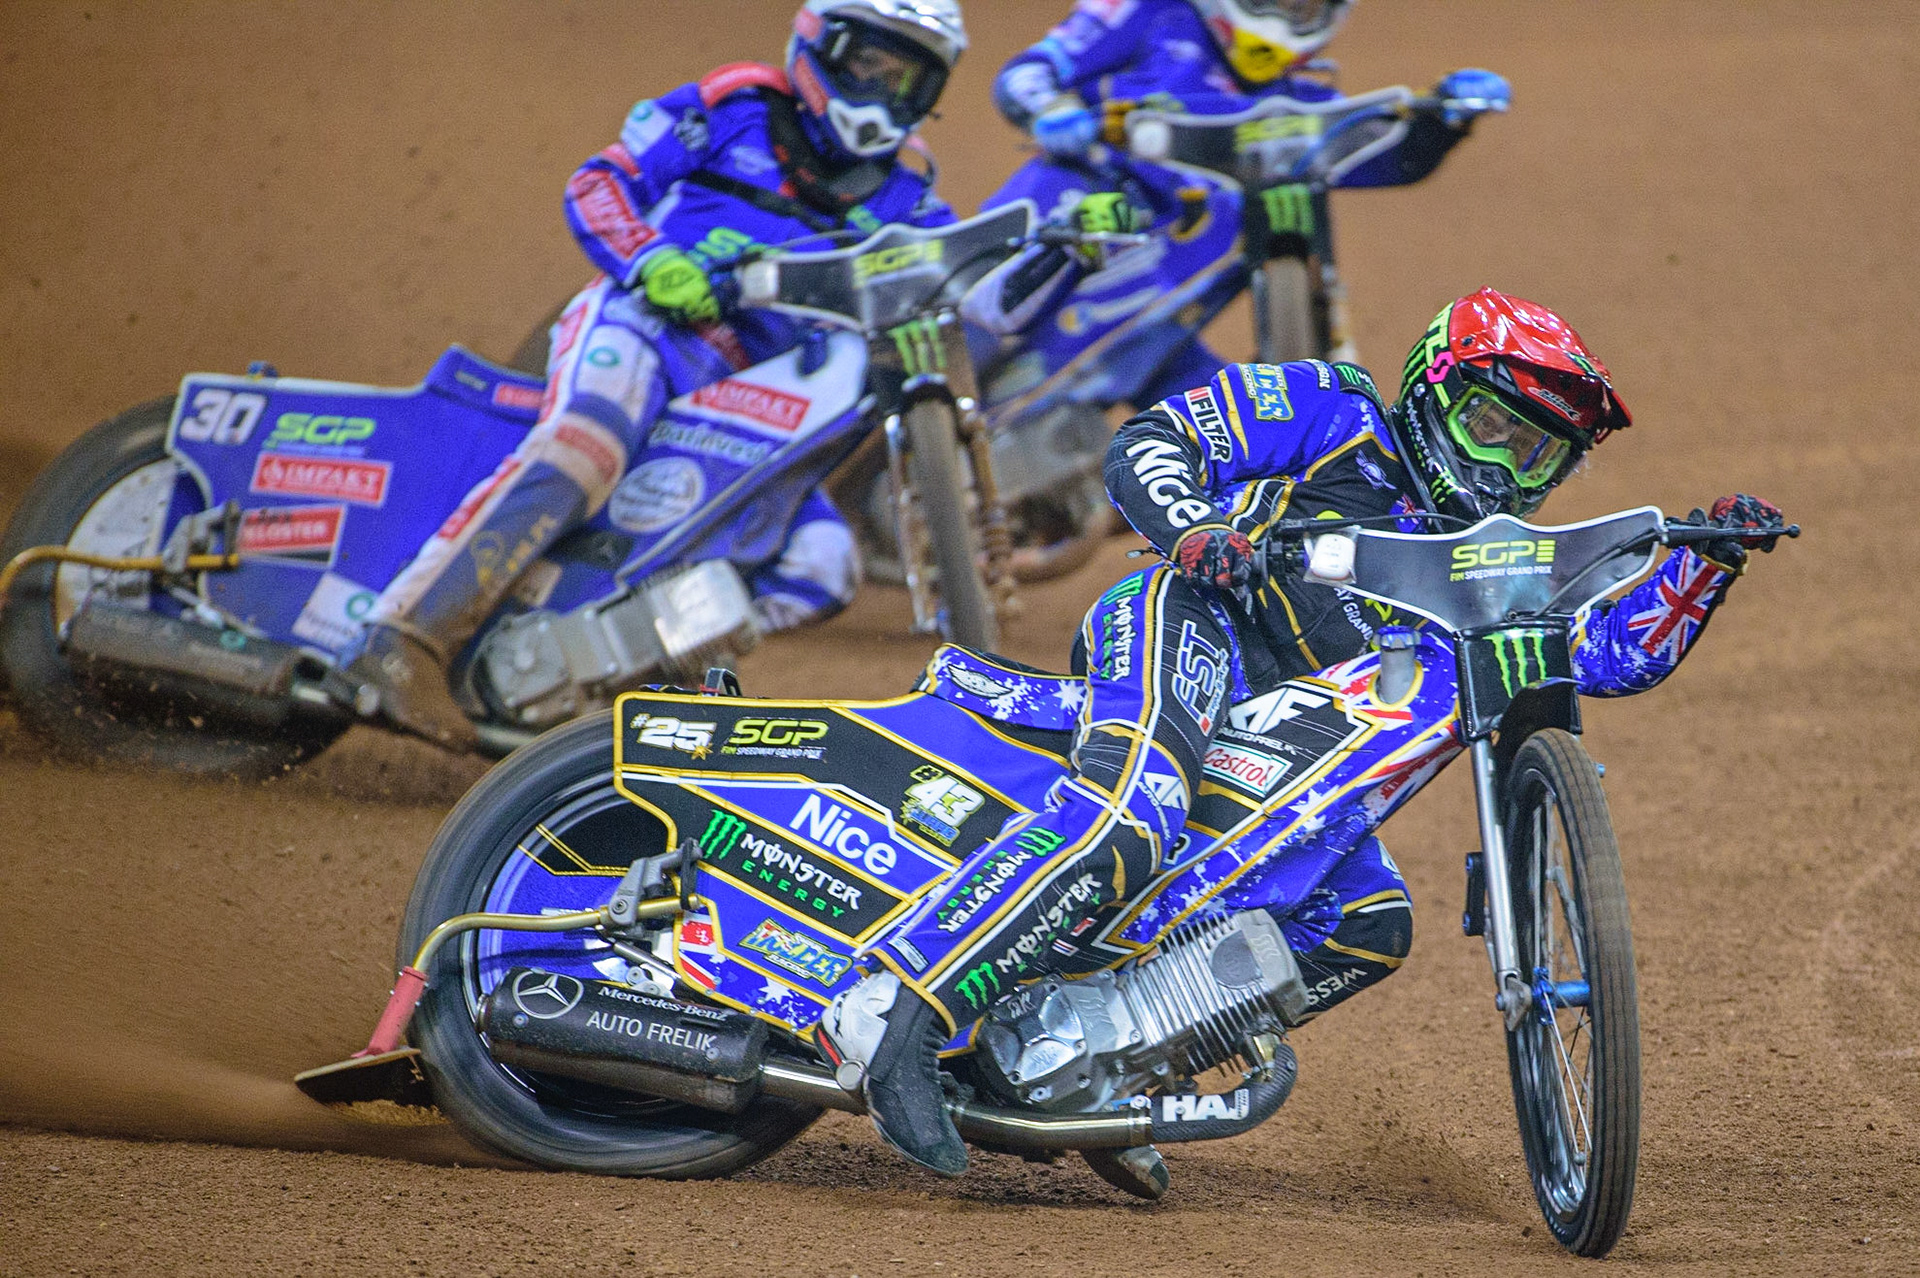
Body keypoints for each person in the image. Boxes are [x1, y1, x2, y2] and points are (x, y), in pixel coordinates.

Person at [819, 287, 1786, 1175]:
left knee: (1368, 924)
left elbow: (1606, 656)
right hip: (1194, 620)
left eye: (1534, 454)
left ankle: (1110, 1063)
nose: (1503, 467)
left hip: (1297, 729)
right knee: (1139, 807)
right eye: (1491, 427)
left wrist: (1703, 569)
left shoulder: (1492, 566)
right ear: (1432, 392)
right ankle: (900, 1009)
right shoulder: (1337, 407)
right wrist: (1198, 530)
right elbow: (1150, 444)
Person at [340, 0, 970, 749]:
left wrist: (1069, 244)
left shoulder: (908, 195)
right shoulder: (738, 105)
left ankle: (604, 674)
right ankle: (404, 639)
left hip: (747, 397)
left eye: (908, 80)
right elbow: (600, 182)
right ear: (824, 45)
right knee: (587, 444)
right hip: (646, 324)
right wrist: (649, 257)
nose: (883, 92)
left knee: (822, 561)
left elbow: (968, 279)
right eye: (872, 63)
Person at [972, 0, 1509, 401]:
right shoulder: (1151, 12)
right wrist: (1049, 112)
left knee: (1244, 428)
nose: (1281, 13)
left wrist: (1441, 125)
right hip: (1079, 203)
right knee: (970, 305)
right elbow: (1030, 71)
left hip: (1163, 312)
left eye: (1301, 5)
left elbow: (1379, 158)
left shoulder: (1299, 103)